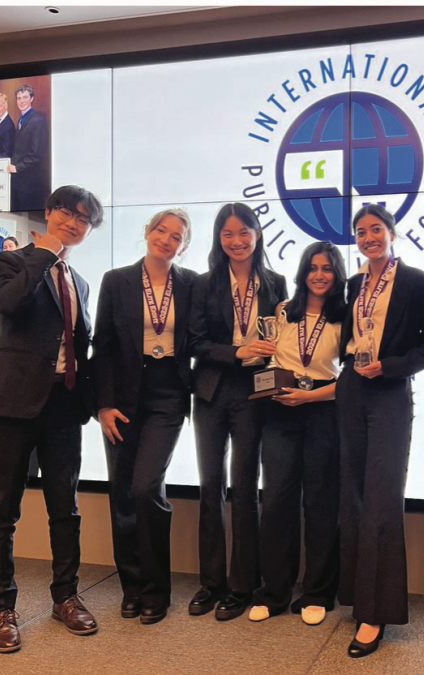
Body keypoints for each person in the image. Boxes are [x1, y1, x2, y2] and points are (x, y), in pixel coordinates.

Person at [0, 185, 105, 653]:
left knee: (65, 510)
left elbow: (81, 348)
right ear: (49, 214)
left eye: (84, 220)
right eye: (67, 214)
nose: (74, 224)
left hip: (63, 406)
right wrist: (46, 253)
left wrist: (93, 400)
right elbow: (10, 305)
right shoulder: (9, 261)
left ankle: (66, 598)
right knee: (2, 510)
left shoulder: (81, 283)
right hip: (12, 403)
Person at [336, 204, 424, 658]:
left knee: (382, 497)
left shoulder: (417, 282)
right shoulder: (353, 283)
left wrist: (392, 367)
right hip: (351, 389)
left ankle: (376, 614)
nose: (368, 237)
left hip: (391, 391)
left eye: (376, 229)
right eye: (361, 232)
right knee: (353, 495)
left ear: (392, 233)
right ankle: (357, 595)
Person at [92, 209, 197, 625]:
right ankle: (131, 588)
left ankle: (157, 589)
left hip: (168, 394)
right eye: (160, 231)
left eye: (176, 237)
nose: (166, 240)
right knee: (122, 491)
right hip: (122, 398)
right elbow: (102, 346)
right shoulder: (116, 280)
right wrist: (102, 404)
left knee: (145, 487)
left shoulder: (190, 285)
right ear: (147, 232)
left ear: (183, 246)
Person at [188, 202, 288, 621]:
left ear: (258, 233)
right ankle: (211, 582)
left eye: (244, 232)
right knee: (211, 486)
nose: (237, 241)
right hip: (212, 390)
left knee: (245, 486)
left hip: (254, 393)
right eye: (228, 234)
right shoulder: (204, 283)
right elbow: (193, 342)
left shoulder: (276, 283)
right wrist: (236, 352)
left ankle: (242, 584)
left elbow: (287, 339)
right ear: (219, 238)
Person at [249, 241, 346, 626]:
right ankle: (274, 591)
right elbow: (271, 359)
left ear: (337, 274)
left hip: (322, 408)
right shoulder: (282, 311)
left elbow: (352, 375)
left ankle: (318, 592)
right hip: (281, 410)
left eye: (327, 268)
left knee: (321, 505)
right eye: (313, 267)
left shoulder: (346, 316)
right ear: (303, 271)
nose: (319, 275)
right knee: (276, 502)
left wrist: (311, 397)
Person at [9, 84, 47, 212]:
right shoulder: (21, 120)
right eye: (19, 98)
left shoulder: (37, 121)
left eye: (25, 97)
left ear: (31, 98)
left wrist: (17, 167)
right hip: (19, 181)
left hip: (29, 182)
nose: (21, 101)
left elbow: (36, 154)